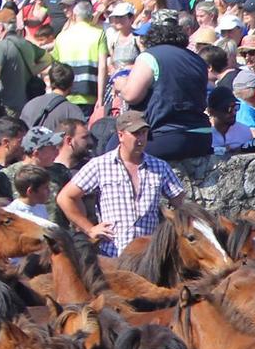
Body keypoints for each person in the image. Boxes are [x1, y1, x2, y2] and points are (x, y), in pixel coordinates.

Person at [53, 111, 187, 256]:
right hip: (112, 253)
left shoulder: (159, 167)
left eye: (144, 133)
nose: (141, 139)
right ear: (121, 135)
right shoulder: (100, 164)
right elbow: (65, 198)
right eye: (135, 134)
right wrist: (90, 229)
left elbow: (180, 203)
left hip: (147, 256)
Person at [112, 14, 213, 162]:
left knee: (111, 150)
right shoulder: (197, 59)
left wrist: (121, 85)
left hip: (168, 136)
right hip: (202, 137)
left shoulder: (150, 56)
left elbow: (131, 95)